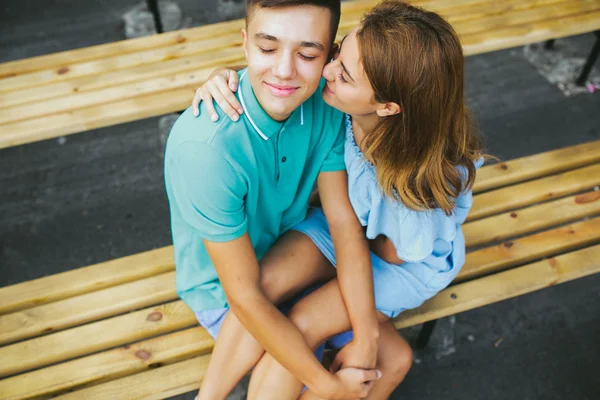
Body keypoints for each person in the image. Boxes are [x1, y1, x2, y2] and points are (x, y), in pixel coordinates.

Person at [191, 1, 486, 399]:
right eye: (337, 53)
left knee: (302, 322)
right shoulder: (346, 100)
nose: (326, 71)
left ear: (387, 106)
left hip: (398, 259)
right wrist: (222, 78)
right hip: (345, 219)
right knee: (262, 286)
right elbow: (279, 68)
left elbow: (387, 251)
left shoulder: (412, 190)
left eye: (343, 75)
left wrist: (342, 287)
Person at [164, 1, 384, 400]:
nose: (285, 70)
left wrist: (366, 343)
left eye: (307, 54)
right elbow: (245, 296)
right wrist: (329, 386)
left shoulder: (327, 101)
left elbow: (343, 223)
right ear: (245, 44)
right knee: (309, 380)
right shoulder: (206, 149)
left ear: (329, 55)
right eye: (268, 49)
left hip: (293, 254)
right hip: (227, 293)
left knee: (388, 360)